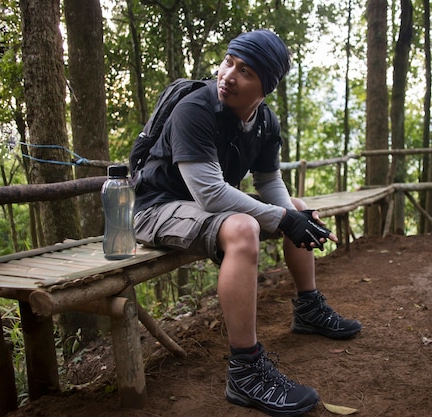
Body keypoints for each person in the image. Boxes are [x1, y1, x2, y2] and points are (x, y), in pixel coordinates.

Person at [133, 29, 362, 417]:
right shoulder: (195, 108)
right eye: (228, 62)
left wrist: (296, 217)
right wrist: (283, 219)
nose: (228, 75)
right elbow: (209, 193)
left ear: (265, 87)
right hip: (157, 210)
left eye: (246, 71)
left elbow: (269, 181)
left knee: (299, 206)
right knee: (244, 227)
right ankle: (245, 370)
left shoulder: (265, 122)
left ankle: (308, 309)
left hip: (204, 210)